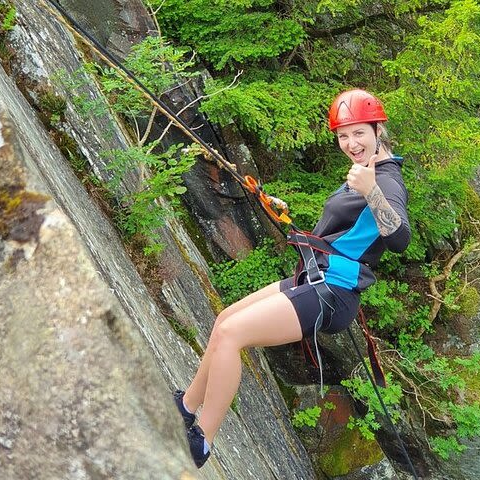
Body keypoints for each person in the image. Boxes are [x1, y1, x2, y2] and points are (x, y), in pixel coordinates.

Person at [173, 88, 411, 469]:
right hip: (315, 276)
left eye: (359, 133)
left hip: (334, 292)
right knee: (224, 322)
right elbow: (345, 230)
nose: (350, 143)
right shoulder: (365, 171)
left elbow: (399, 237)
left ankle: (202, 439)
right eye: (343, 135)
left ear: (378, 128)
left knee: (234, 337)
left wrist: (372, 194)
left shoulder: (386, 180)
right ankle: (186, 407)